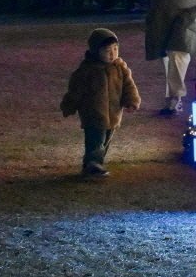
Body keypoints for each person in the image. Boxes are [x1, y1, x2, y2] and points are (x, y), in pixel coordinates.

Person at [60, 26, 141, 178]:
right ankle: (93, 164)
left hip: (114, 113)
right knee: (96, 139)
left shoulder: (120, 67)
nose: (112, 54)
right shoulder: (87, 70)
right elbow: (76, 89)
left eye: (115, 49)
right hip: (93, 113)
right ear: (96, 51)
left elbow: (128, 85)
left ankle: (95, 164)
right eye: (107, 50)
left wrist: (131, 100)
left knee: (106, 140)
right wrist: (69, 104)